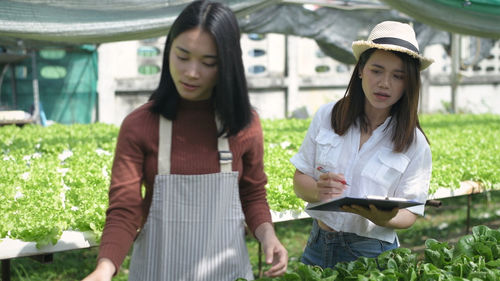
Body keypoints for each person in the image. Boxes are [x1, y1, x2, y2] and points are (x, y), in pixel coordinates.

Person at [82, 1, 287, 280]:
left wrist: (268, 236)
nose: (192, 72)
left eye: (208, 63)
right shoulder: (140, 125)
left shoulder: (244, 125)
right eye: (182, 56)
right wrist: (104, 270)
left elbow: (252, 194)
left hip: (226, 272)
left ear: (227, 65)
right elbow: (125, 210)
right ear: (168, 52)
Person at [290, 21, 434, 269]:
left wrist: (385, 218)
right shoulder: (328, 116)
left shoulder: (414, 143)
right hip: (317, 244)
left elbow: (411, 213)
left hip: (371, 253)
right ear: (360, 70)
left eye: (398, 76)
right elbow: (300, 180)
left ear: (409, 83)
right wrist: (318, 190)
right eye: (376, 70)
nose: (385, 83)